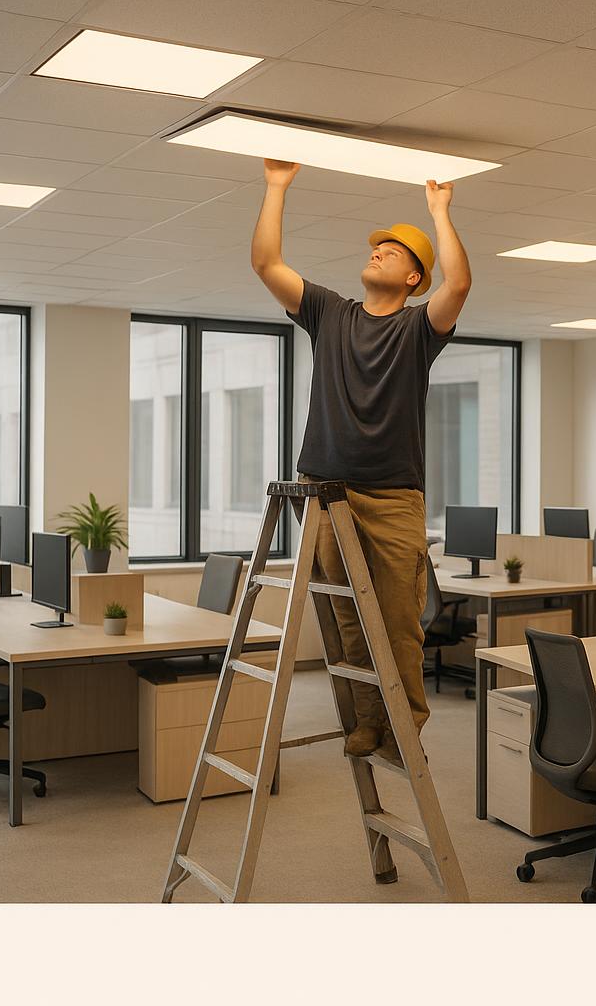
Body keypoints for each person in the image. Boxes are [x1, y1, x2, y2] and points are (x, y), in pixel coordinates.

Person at [250, 157, 471, 763]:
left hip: (393, 497)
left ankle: (404, 723)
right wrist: (275, 188)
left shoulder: (418, 329)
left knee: (398, 622)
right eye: (378, 248)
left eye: (393, 252)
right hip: (324, 492)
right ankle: (364, 722)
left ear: (413, 279)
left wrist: (439, 213)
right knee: (344, 624)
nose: (378, 253)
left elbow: (458, 285)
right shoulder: (332, 313)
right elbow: (267, 263)